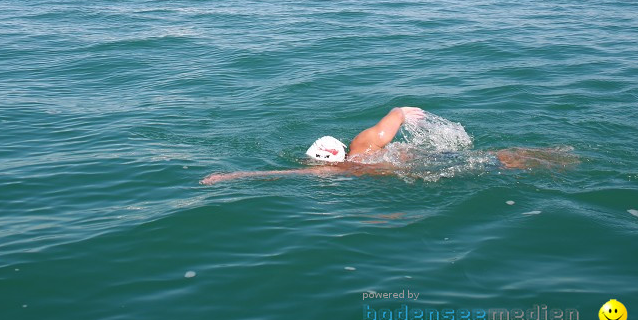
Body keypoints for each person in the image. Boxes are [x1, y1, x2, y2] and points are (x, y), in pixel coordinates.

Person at [200, 106, 576, 185]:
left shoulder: (349, 167)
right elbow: (392, 117)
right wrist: (401, 112)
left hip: (426, 167)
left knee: (493, 164)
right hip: (429, 156)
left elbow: (283, 174)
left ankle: (559, 162)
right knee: (493, 157)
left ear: (328, 160)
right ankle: (556, 156)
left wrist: (232, 175)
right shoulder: (361, 145)